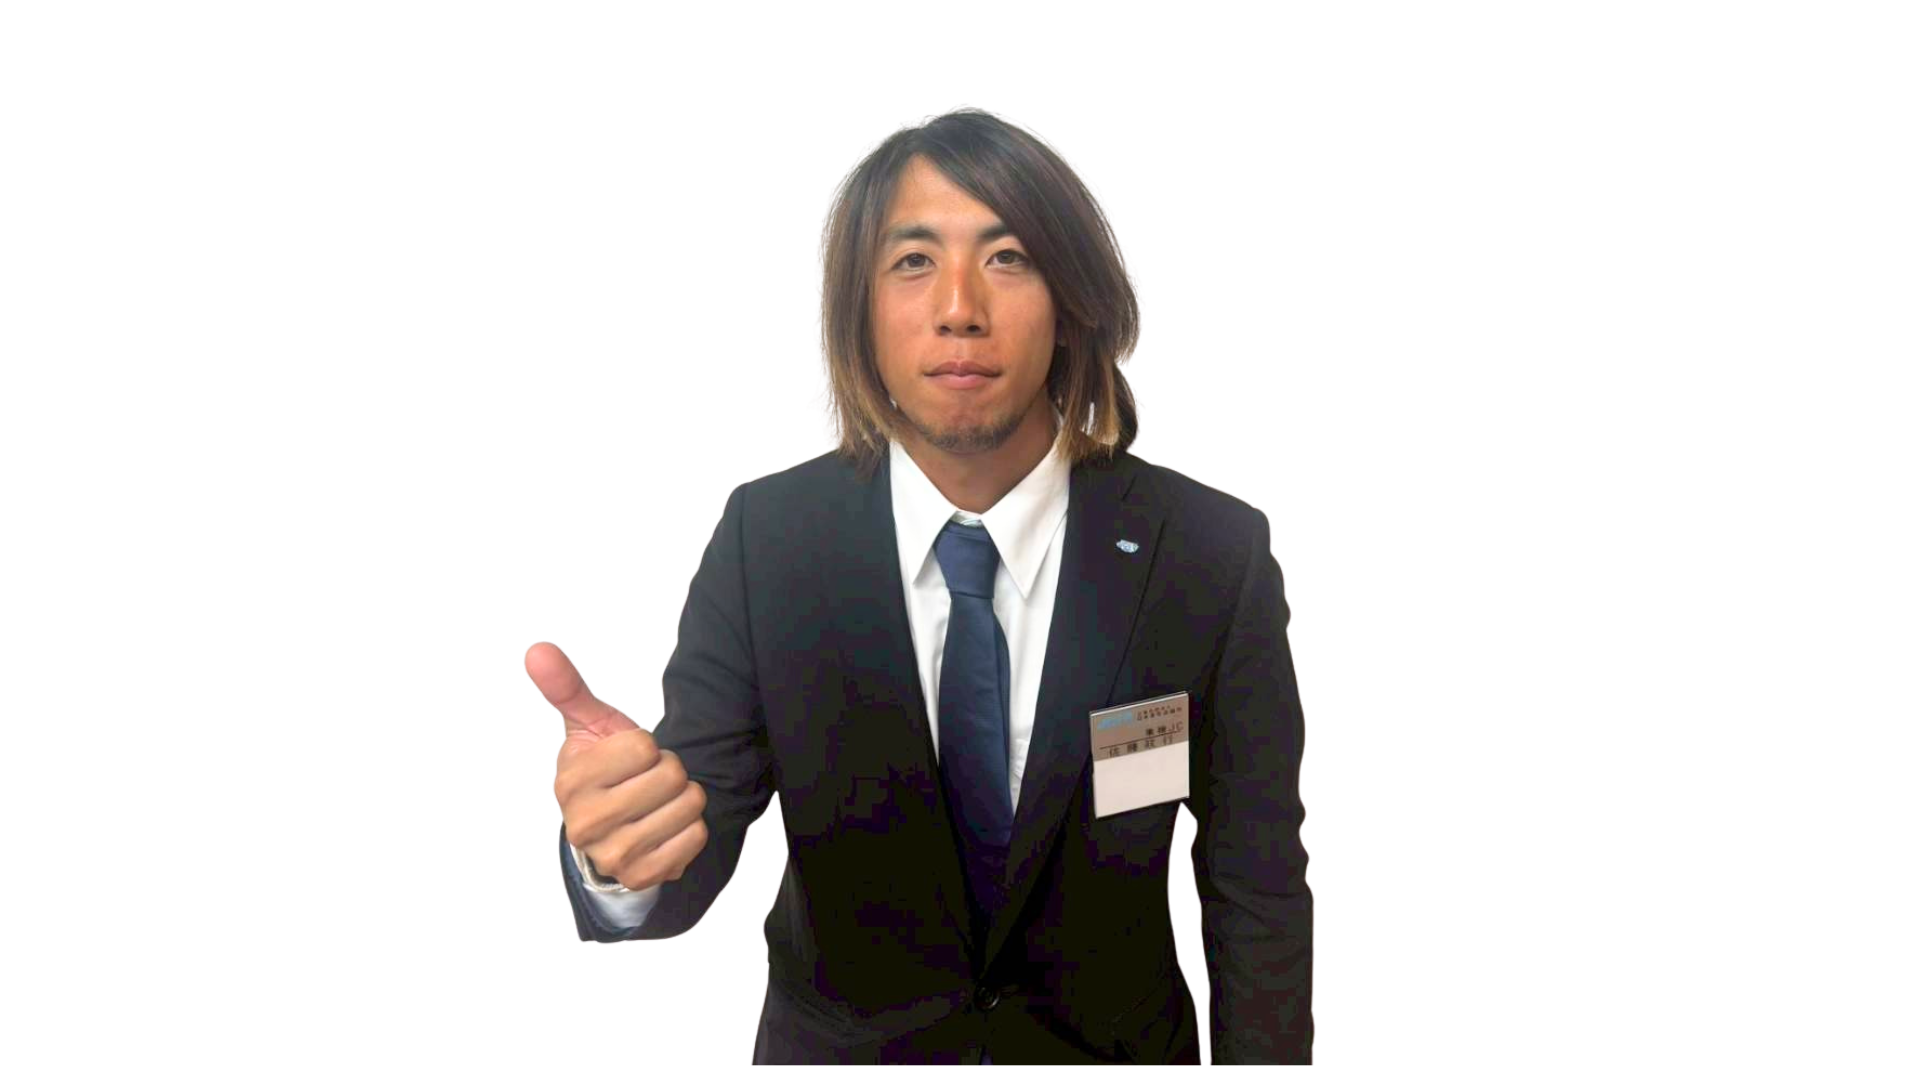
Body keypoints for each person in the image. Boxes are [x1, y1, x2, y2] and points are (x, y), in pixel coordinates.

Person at [536, 105, 1311, 1065]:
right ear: (858, 311)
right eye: (913, 260)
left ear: (1071, 297)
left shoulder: (1210, 550)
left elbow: (1256, 890)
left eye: (1008, 256)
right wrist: (619, 857)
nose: (958, 307)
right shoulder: (765, 538)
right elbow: (688, 863)